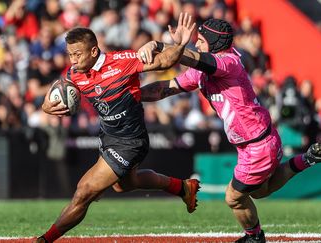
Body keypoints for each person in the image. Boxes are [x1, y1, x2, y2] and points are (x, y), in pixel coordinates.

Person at [138, 18, 321, 243]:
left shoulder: (229, 62)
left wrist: (161, 45)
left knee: (234, 197)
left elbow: (196, 58)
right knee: (259, 191)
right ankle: (307, 158)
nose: (197, 44)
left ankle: (255, 238)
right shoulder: (202, 72)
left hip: (257, 145)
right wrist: (133, 94)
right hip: (259, 140)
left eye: (200, 40)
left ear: (213, 42)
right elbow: (166, 88)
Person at [35, 13, 199, 243]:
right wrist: (45, 105)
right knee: (126, 185)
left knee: (84, 192)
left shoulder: (122, 61)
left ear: (94, 51)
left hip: (130, 142)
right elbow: (59, 89)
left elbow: (165, 61)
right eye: (70, 54)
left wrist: (180, 43)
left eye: (77, 54)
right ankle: (183, 188)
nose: (72, 60)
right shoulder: (75, 72)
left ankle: (44, 240)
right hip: (109, 137)